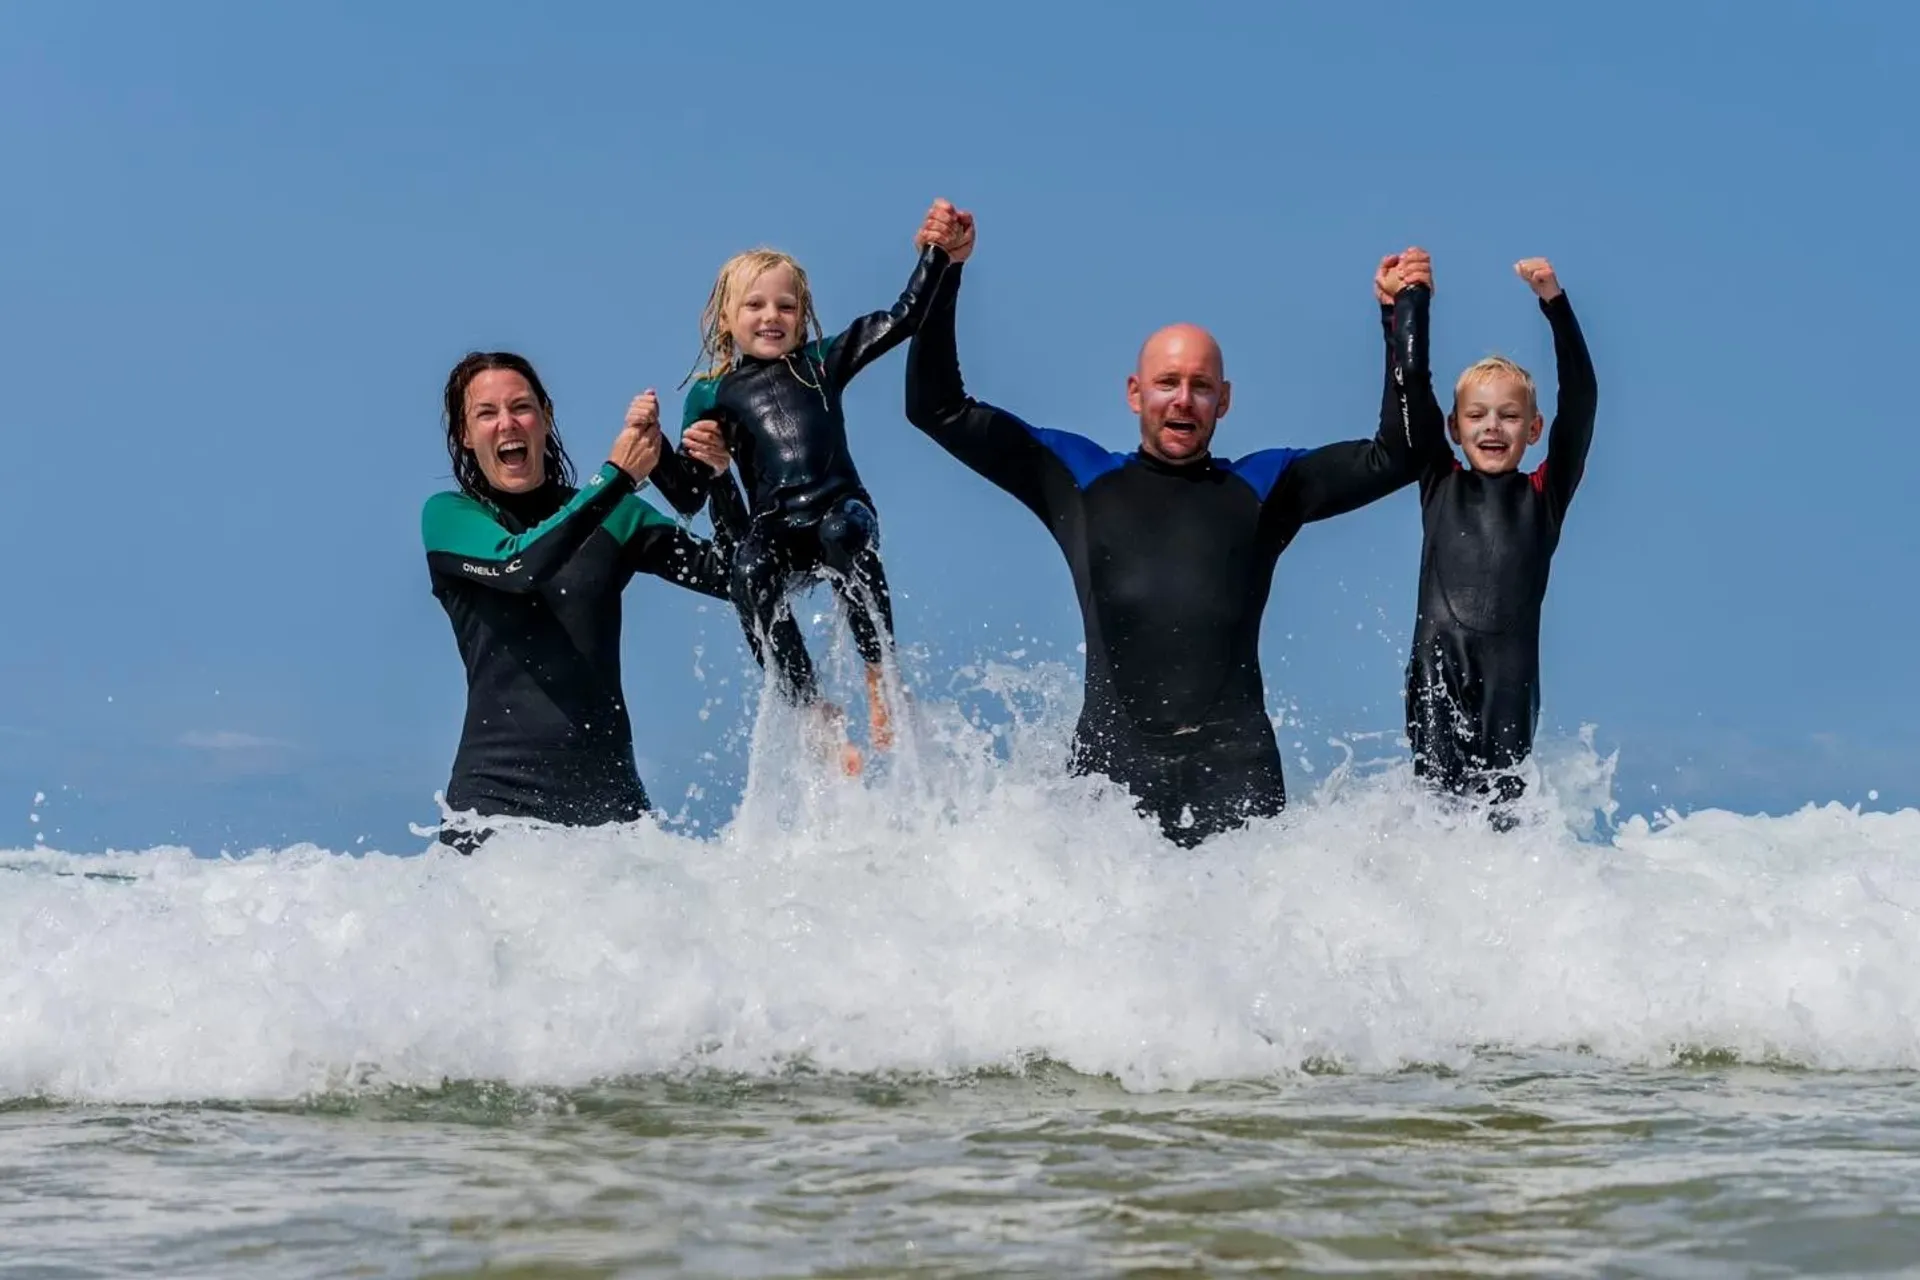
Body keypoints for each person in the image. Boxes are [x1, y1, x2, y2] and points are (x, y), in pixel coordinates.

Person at [903, 203, 1446, 847]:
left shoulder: (1265, 486)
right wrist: (943, 270)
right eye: (1167, 383)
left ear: (1225, 399)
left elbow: (1404, 454)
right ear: (1136, 393)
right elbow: (934, 408)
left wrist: (1401, 316)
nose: (1183, 399)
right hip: (1110, 777)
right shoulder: (1077, 477)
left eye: (1200, 385)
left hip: (1235, 773)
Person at [646, 202, 963, 764]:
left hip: (840, 508)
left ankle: (876, 673)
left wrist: (935, 253)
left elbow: (905, 316)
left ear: (803, 314)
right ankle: (810, 706)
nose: (772, 316)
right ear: (725, 318)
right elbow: (689, 495)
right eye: (755, 304)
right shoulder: (711, 394)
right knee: (747, 572)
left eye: (786, 305)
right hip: (775, 529)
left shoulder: (822, 362)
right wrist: (655, 448)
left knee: (844, 531)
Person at [421, 352, 736, 852]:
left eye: (521, 406)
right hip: (495, 815)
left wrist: (719, 481)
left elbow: (739, 577)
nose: (507, 422)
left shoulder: (616, 514)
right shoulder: (451, 516)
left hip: (614, 815)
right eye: (486, 413)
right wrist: (617, 476)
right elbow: (517, 567)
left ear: (544, 417)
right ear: (465, 434)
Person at [1401, 258, 1598, 824]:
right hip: (1437, 673)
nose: (1492, 427)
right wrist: (1414, 301)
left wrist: (1554, 304)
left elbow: (1581, 400)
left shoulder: (1544, 495)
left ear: (1533, 430)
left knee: (1500, 822)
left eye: (1510, 416)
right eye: (1478, 415)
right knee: (1437, 813)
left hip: (1510, 684)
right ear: (1454, 428)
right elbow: (1413, 387)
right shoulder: (1439, 482)